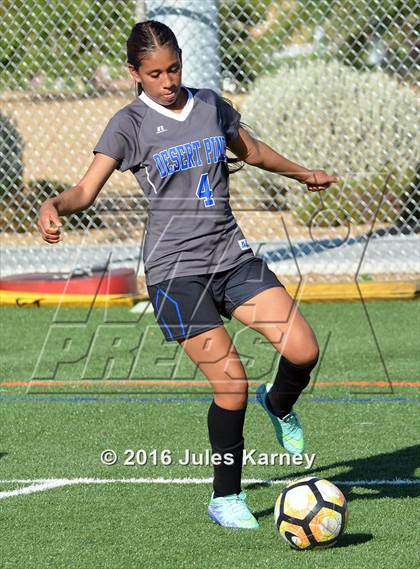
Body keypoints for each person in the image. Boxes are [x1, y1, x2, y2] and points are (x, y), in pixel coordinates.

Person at [37, 20, 340, 529]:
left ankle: (280, 403)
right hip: (175, 274)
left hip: (231, 257)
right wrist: (54, 205)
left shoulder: (210, 104)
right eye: (154, 73)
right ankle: (226, 498)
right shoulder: (128, 124)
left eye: (174, 68)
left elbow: (252, 151)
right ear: (134, 73)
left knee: (304, 350)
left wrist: (304, 173)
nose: (168, 80)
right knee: (231, 383)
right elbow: (85, 190)